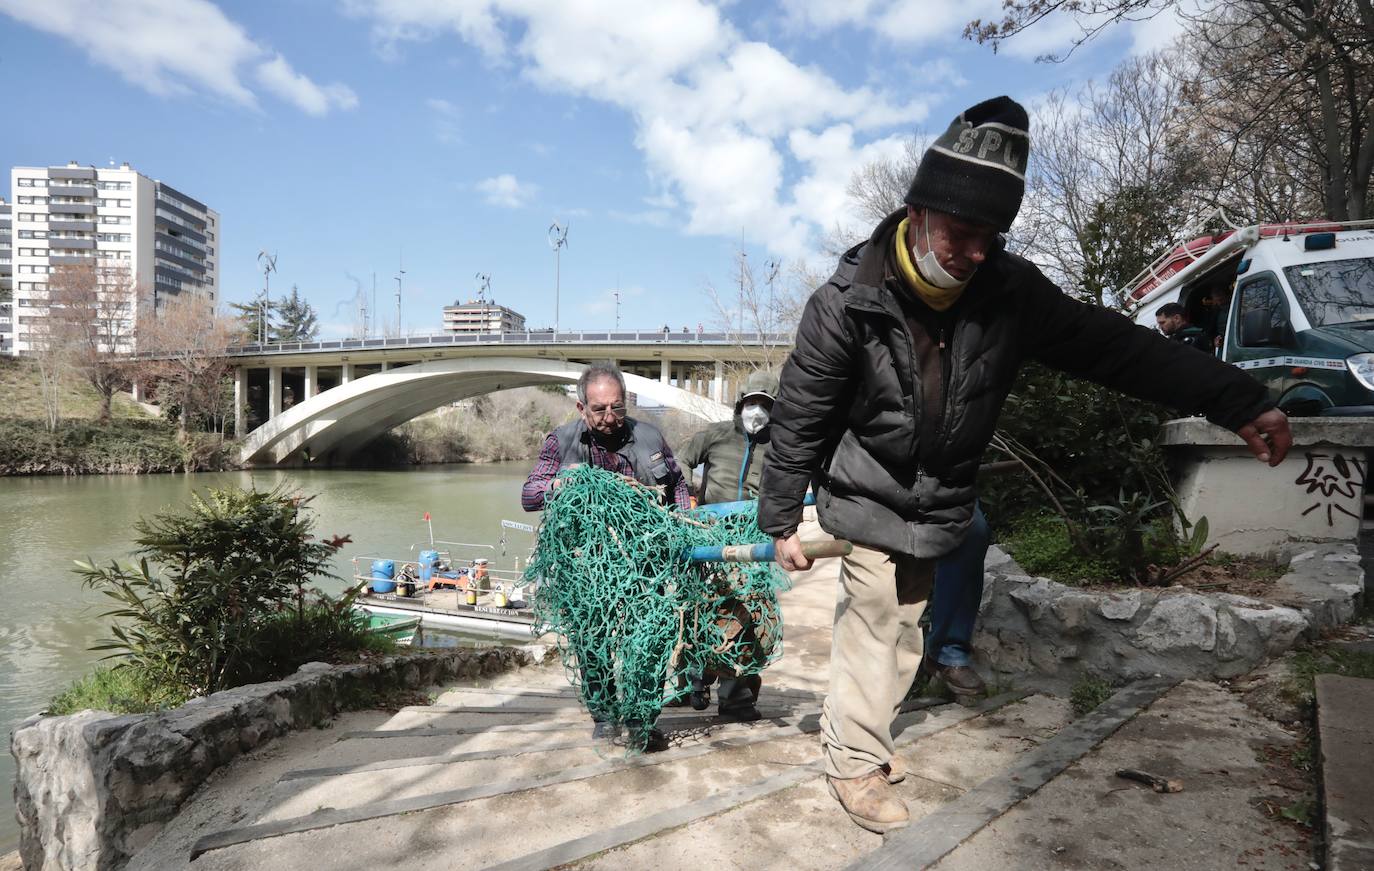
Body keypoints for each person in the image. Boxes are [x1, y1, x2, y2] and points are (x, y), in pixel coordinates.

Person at [758, 96, 1293, 835]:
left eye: (992, 237)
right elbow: (800, 412)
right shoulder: (847, 301)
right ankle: (853, 760)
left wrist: (1235, 398)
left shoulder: (1011, 293)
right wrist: (782, 514)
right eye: (963, 234)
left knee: (906, 626)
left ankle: (867, 736)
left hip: (941, 496)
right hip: (866, 486)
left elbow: (1113, 346)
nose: (977, 253)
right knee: (875, 619)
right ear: (917, 212)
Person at [522, 363, 691, 749]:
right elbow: (529, 495)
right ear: (582, 408)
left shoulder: (649, 437)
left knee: (649, 641)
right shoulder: (561, 442)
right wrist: (561, 485)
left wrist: (683, 515)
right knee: (592, 642)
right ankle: (604, 715)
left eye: (617, 407)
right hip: (585, 563)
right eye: (599, 410)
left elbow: (678, 484)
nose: (610, 418)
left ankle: (642, 718)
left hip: (644, 562)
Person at [673, 369, 780, 721]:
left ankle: (736, 698)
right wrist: (685, 493)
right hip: (708, 537)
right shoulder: (717, 435)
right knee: (698, 611)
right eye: (752, 403)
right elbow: (682, 460)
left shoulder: (780, 445)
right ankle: (691, 683)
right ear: (740, 404)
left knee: (746, 617)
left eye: (765, 404)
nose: (757, 411)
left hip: (751, 541)